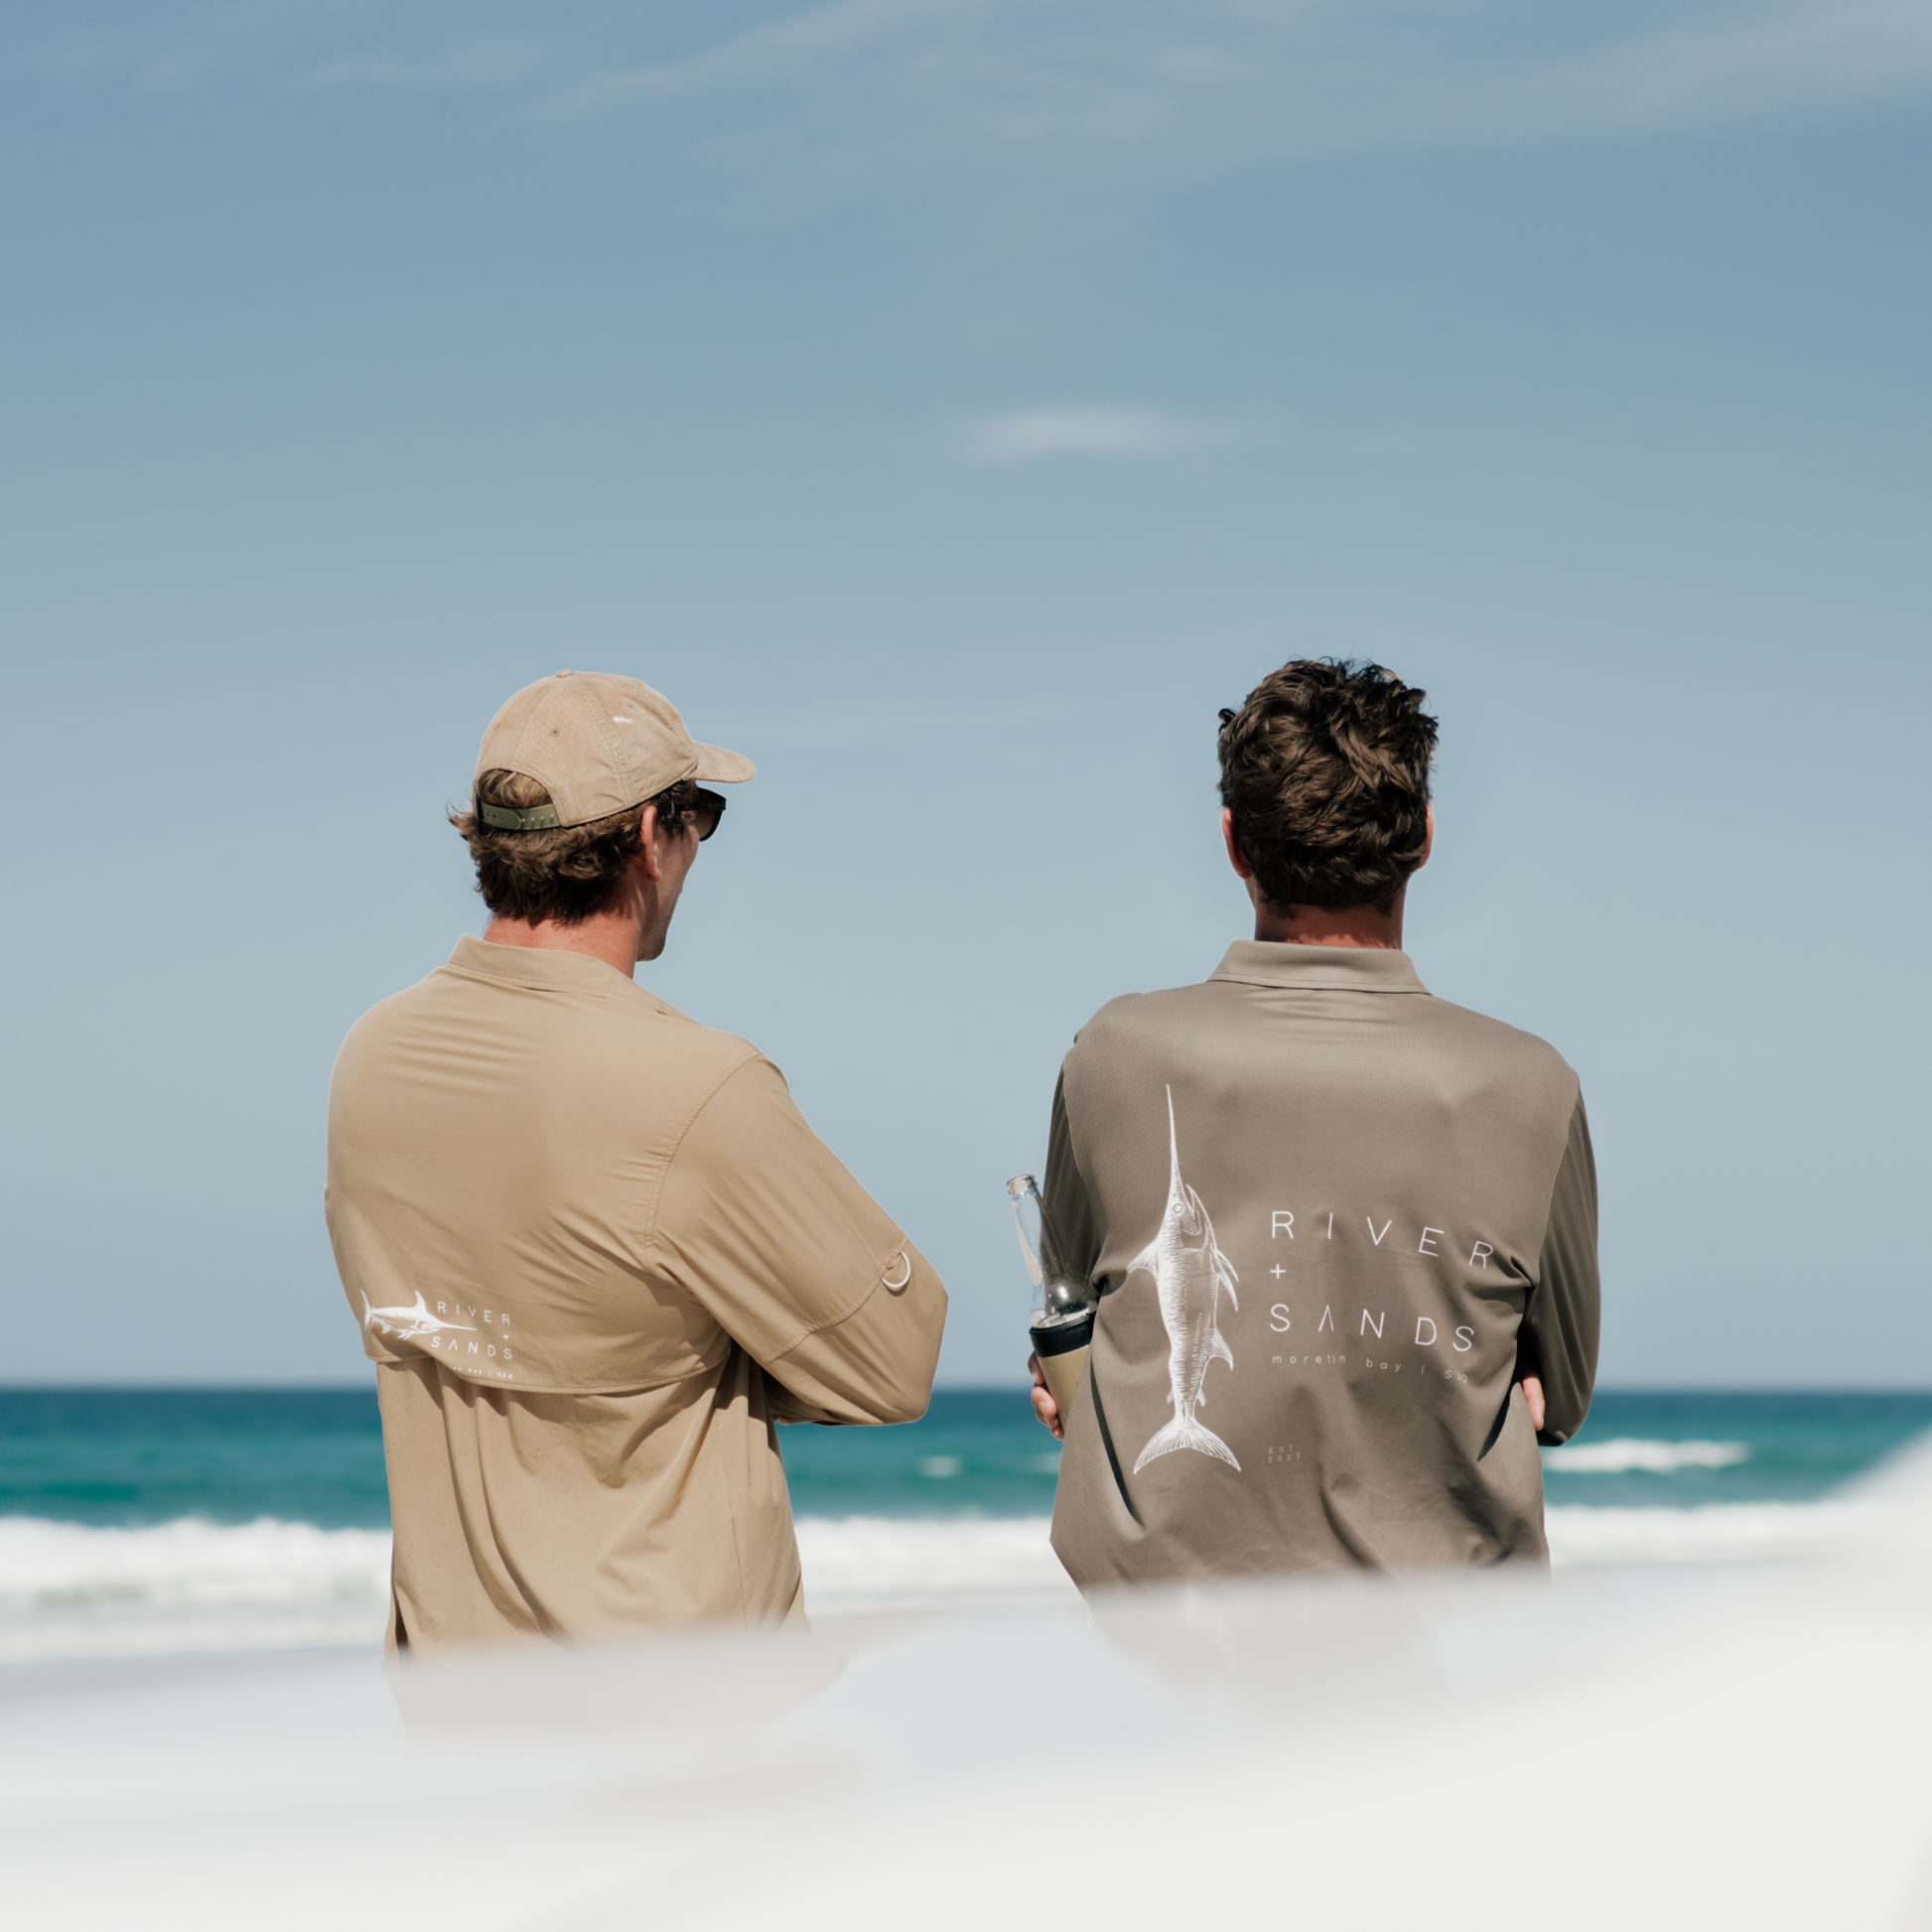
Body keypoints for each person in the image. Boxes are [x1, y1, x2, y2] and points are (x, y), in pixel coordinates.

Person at [327, 670, 946, 1651]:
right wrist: (716, 1335)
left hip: (452, 1711)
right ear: (653, 836)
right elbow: (893, 1362)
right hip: (682, 1714)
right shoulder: (696, 1087)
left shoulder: (371, 1056)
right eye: (702, 814)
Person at [1030, 658, 1597, 1582]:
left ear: (1232, 843)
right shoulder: (1531, 1083)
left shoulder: (1115, 1051)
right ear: (1421, 838)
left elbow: (1073, 1323)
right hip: (1453, 1654)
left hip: (1160, 1644)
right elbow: (1559, 1393)